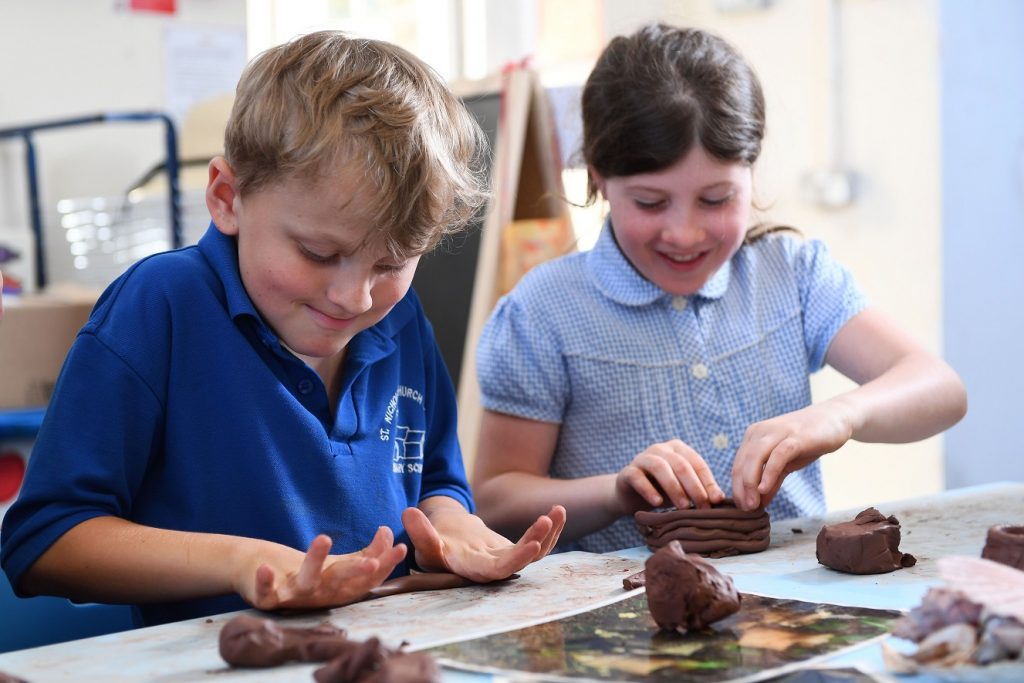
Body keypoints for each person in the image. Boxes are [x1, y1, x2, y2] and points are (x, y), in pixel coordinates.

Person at [0, 31, 564, 627]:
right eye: (319, 253)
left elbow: (438, 482)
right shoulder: (160, 307)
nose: (357, 296)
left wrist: (450, 524)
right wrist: (248, 564)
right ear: (227, 198)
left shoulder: (400, 320)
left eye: (392, 262)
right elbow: (44, 540)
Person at [471, 23, 966, 553]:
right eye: (650, 202)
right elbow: (497, 504)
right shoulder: (543, 311)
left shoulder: (791, 274)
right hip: (620, 620)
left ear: (751, 172)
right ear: (597, 178)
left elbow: (940, 388)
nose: (685, 233)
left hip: (791, 614)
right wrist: (617, 492)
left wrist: (839, 415)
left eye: (716, 199)